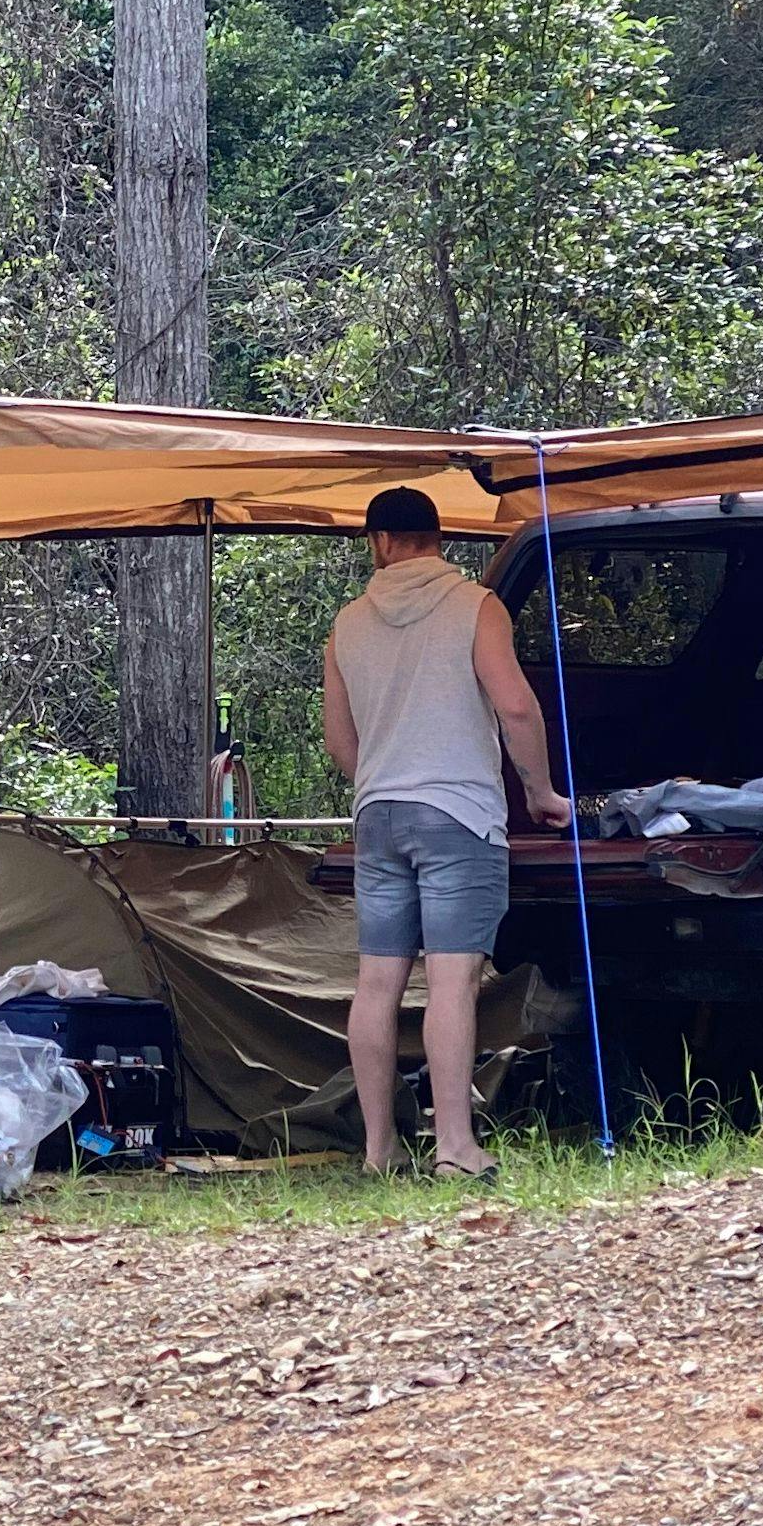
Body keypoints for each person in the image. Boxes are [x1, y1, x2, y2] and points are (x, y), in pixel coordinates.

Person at [320, 486, 570, 1181]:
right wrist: (541, 791)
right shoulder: (475, 607)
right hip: (458, 816)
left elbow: (341, 743)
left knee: (377, 985)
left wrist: (387, 772)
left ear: (379, 542)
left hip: (379, 814)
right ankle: (455, 1148)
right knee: (451, 984)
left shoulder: (347, 624)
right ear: (437, 539)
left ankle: (379, 1150)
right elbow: (515, 706)